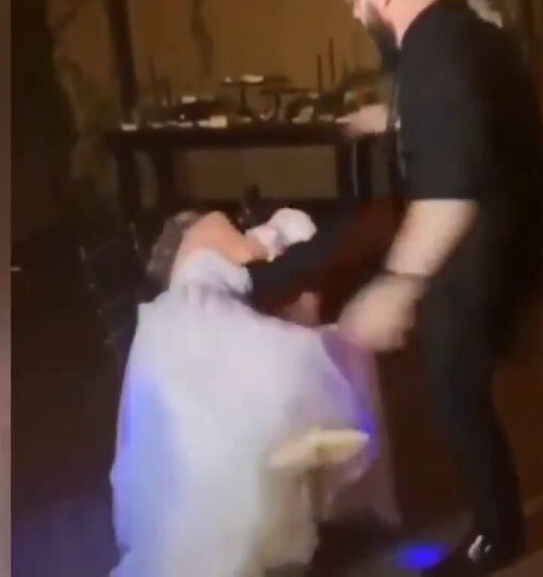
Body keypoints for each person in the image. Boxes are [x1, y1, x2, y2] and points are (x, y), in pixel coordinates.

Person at [337, 0, 543, 574]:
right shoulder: (470, 35)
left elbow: (451, 193)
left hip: (476, 250)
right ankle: (499, 522)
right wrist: (389, 119)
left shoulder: (431, 53)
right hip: (513, 240)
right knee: (462, 383)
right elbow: (467, 117)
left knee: (456, 392)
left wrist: (396, 286)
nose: (355, 12)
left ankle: (498, 535)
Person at [109, 208, 396, 577]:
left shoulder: (181, 281)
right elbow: (250, 254)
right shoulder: (208, 224)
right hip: (209, 319)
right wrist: (276, 236)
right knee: (326, 362)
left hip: (184, 333)